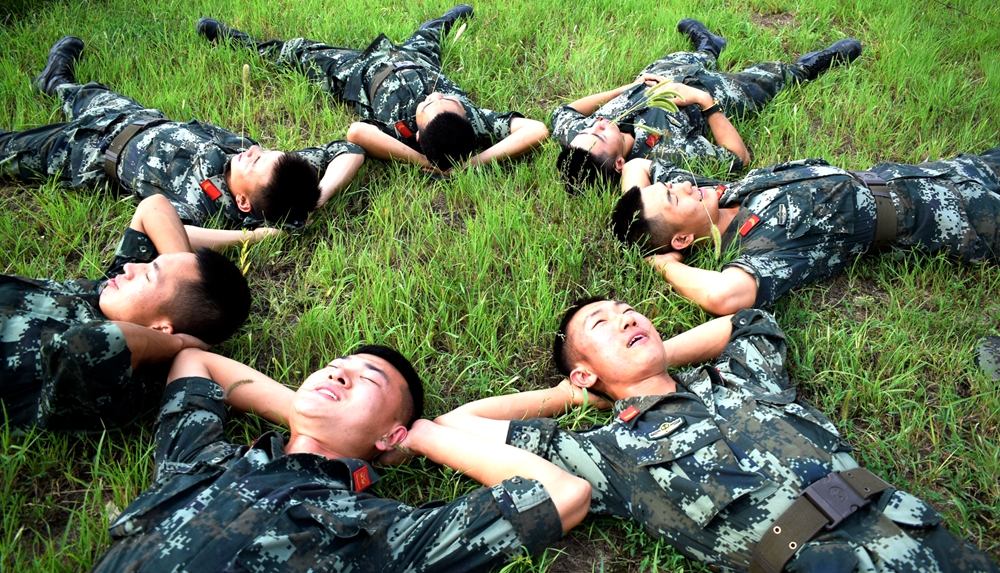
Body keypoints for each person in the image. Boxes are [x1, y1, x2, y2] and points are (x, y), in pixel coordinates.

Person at [435, 298, 1000, 573]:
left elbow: (751, 320)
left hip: (916, 530)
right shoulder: (607, 453)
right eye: (601, 324)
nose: (627, 318)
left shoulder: (738, 375)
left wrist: (656, 360)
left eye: (628, 311)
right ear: (582, 371)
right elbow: (459, 423)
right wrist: (579, 394)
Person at [90, 343, 592, 571]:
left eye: (366, 379)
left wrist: (422, 437)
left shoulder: (383, 533)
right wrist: (304, 416)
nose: (337, 373)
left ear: (391, 433)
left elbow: (564, 493)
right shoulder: (203, 459)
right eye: (334, 367)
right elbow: (194, 359)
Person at [0, 36, 365, 246]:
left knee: (8, 150)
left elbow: (173, 235)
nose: (254, 150)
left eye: (255, 161)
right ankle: (55, 81)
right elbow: (349, 149)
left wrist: (248, 239)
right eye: (265, 152)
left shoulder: (207, 210)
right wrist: (319, 196)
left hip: (88, 152)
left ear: (242, 200)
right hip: (135, 116)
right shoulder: (281, 176)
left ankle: (55, 91)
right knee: (81, 92)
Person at [610, 149, 1000, 314]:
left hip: (937, 172)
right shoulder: (760, 244)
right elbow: (722, 295)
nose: (683, 185)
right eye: (673, 198)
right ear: (681, 239)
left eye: (670, 186)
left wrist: (638, 208)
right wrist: (664, 263)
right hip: (958, 218)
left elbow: (639, 165)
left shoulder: (718, 196)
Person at [1, 194, 251, 433]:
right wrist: (177, 264)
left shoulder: (117, 382)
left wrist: (178, 344)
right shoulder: (119, 296)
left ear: (161, 330)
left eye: (149, 275)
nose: (131, 267)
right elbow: (154, 207)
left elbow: (89, 343)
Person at [197, 5, 549, 174]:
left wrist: (425, 162)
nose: (436, 96)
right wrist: (475, 161)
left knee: (302, 51)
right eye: (447, 100)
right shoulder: (473, 119)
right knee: (430, 32)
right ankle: (446, 21)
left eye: (429, 105)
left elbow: (356, 132)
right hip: (417, 58)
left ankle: (238, 41)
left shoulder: (399, 133)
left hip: (363, 71)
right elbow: (536, 130)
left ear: (417, 133)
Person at [554, 19, 862, 189]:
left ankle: (708, 47)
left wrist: (626, 88)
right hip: (709, 92)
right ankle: (810, 66)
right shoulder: (666, 152)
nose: (597, 124)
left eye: (589, 128)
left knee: (688, 59)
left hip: (659, 76)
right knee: (768, 80)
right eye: (600, 135)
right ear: (620, 164)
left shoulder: (578, 139)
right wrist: (704, 101)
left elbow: (563, 113)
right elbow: (738, 158)